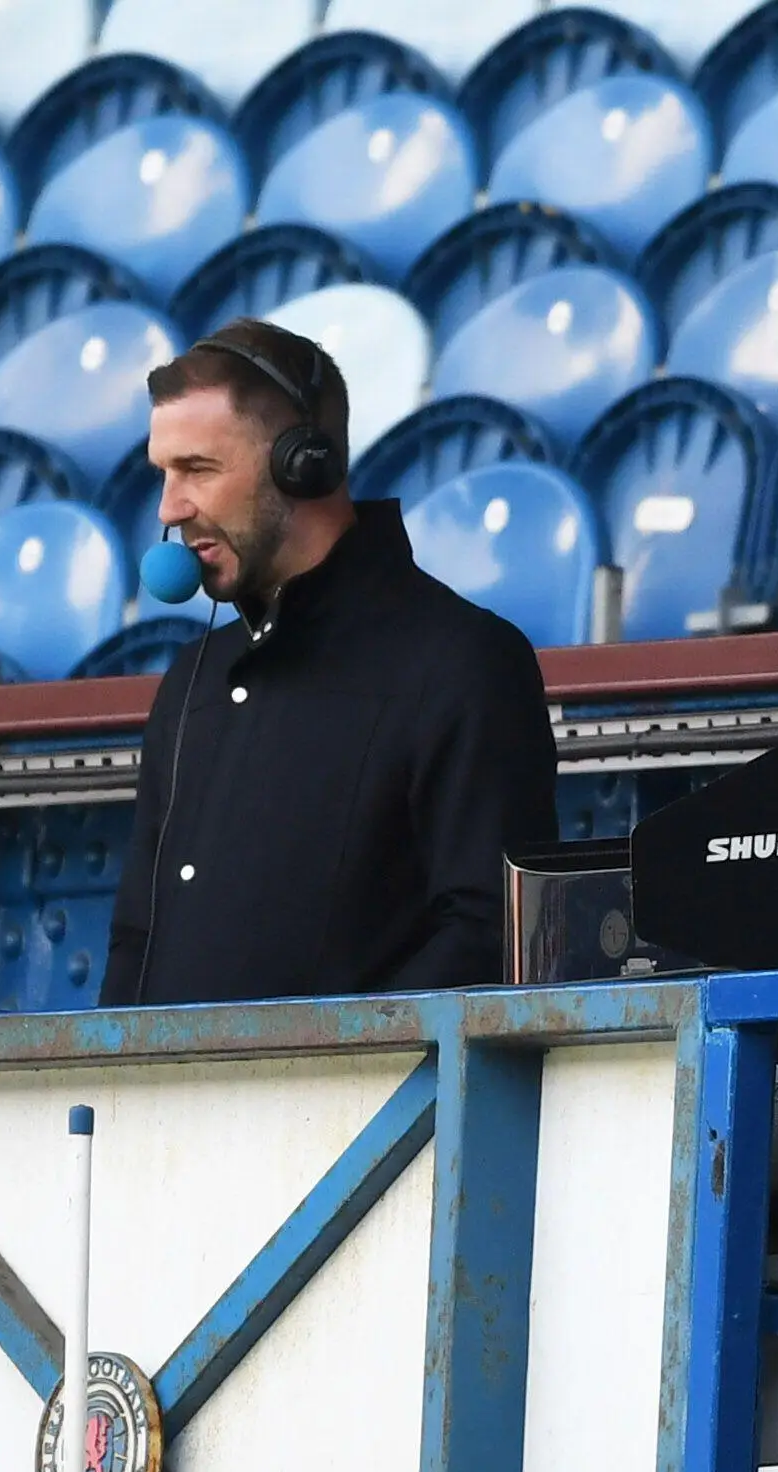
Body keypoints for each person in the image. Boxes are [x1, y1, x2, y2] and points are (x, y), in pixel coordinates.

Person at [101, 318, 558, 1006]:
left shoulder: (462, 660)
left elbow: (489, 931)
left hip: (364, 1108)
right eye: (163, 473)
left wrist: (330, 1073)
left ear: (302, 463)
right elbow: (137, 939)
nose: (170, 509)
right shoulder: (189, 684)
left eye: (197, 469)